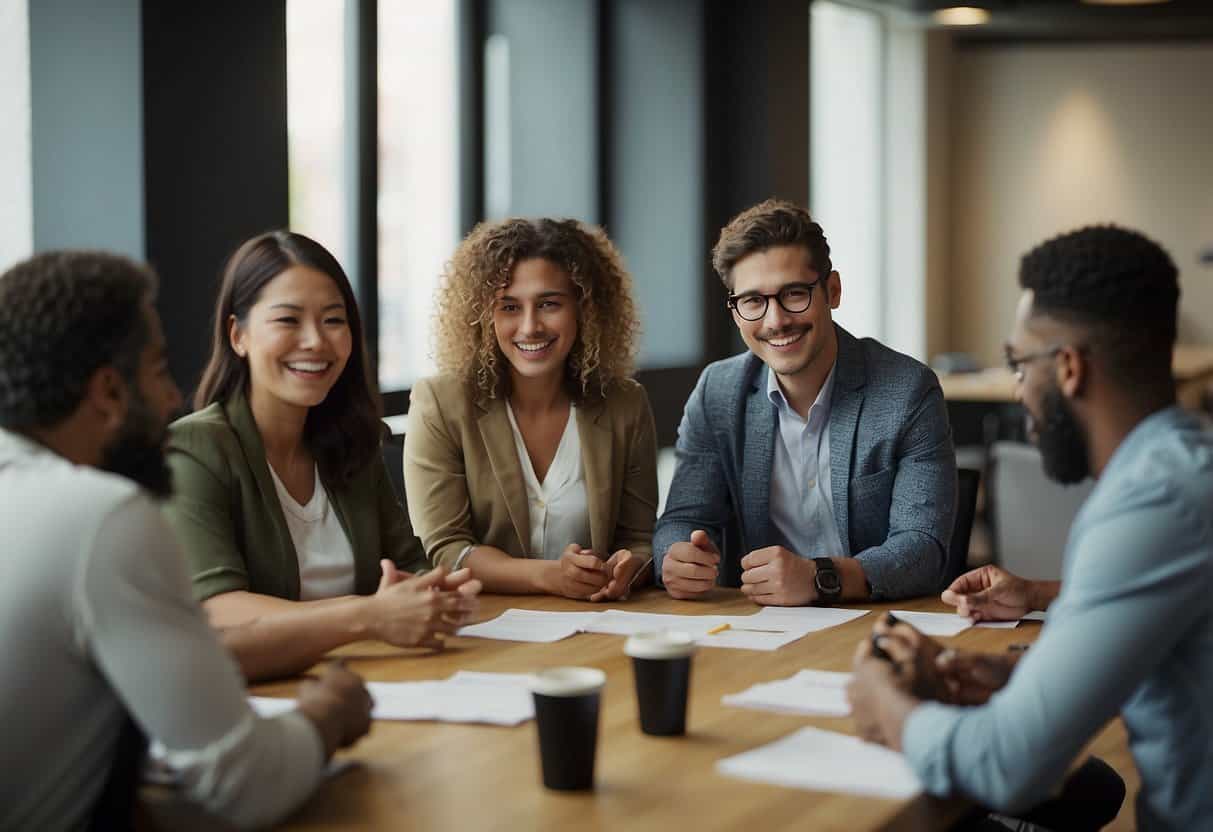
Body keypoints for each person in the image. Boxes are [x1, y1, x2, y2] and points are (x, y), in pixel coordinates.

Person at [847, 226, 1213, 830]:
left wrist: (886, 707)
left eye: (1019, 363)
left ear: (1068, 367)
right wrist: (1019, 673)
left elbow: (1008, 766)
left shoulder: (1153, 503)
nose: (1018, 389)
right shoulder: (1184, 461)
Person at [0, 250, 373, 829]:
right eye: (156, 369)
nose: (173, 397)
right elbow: (245, 784)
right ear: (108, 392)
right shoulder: (102, 516)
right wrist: (329, 714)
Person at [164, 231, 480, 682]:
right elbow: (218, 608)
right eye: (288, 320)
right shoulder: (194, 452)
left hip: (371, 683)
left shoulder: (354, 442)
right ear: (239, 335)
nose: (315, 341)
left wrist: (436, 595)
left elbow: (410, 565)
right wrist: (369, 615)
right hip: (260, 702)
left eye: (333, 320)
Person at [654, 199, 956, 605]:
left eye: (794, 294)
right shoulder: (718, 392)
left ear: (832, 291)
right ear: (736, 310)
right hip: (755, 632)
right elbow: (681, 520)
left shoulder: (906, 391)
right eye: (753, 301)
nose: (776, 320)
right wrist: (675, 559)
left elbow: (922, 549)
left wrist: (819, 577)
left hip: (875, 622)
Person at [405, 217, 657, 601]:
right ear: (484, 316)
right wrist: (550, 576)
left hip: (594, 624)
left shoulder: (625, 404)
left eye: (549, 304)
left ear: (584, 309)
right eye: (509, 307)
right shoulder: (441, 403)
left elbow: (638, 540)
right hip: (483, 627)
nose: (530, 326)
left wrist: (626, 569)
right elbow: (445, 549)